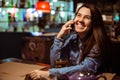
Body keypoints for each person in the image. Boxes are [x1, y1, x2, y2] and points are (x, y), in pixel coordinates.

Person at [27, 3, 112, 80]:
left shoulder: (97, 42)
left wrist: (50, 73)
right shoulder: (72, 38)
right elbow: (56, 63)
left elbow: (86, 68)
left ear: (94, 23)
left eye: (87, 17)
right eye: (78, 15)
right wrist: (59, 37)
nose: (81, 20)